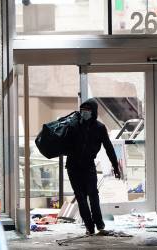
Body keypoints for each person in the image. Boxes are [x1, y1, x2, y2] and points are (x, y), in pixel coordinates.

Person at [66, 98, 121, 235]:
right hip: (73, 166)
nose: (84, 113)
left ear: (94, 112)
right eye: (82, 110)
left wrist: (116, 166)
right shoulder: (74, 125)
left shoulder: (99, 128)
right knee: (81, 197)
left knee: (93, 195)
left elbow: (109, 148)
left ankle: (99, 223)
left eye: (87, 111)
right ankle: (89, 226)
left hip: (88, 166)